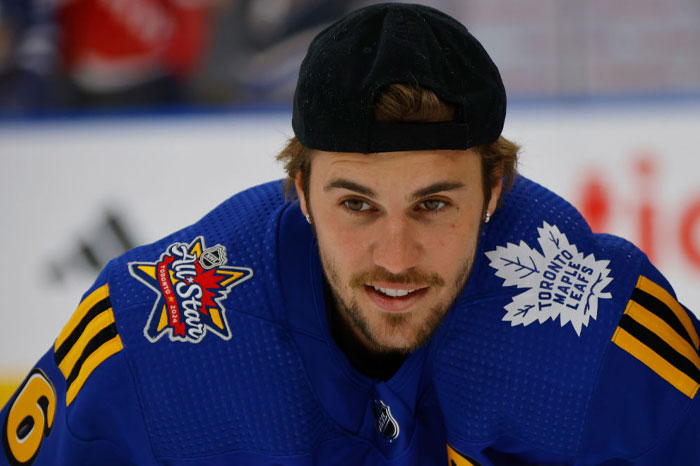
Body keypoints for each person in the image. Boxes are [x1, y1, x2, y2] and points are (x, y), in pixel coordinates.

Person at [2, 3, 699, 465]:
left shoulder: (599, 337)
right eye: (357, 206)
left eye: (432, 205)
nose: (396, 258)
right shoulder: (152, 342)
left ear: (494, 192)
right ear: (299, 193)